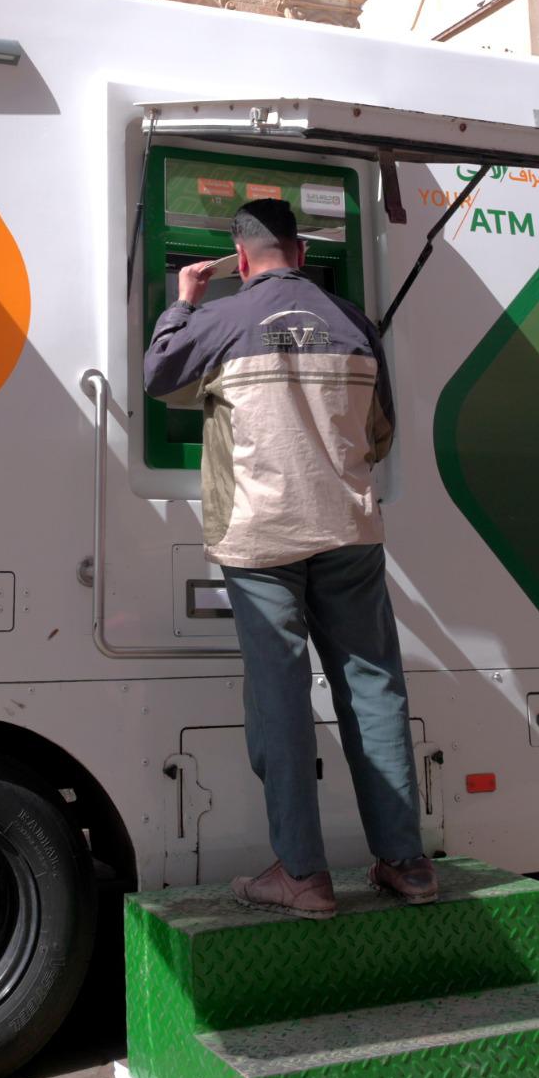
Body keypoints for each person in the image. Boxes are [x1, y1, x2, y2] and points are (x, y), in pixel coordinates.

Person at [142, 196, 435, 919]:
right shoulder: (356, 324)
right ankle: (406, 863)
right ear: (302, 254)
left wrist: (183, 302)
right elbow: (380, 434)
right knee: (374, 687)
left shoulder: (219, 319)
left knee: (280, 693)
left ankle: (302, 875)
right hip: (349, 533)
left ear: (240, 259)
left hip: (260, 536)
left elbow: (159, 378)